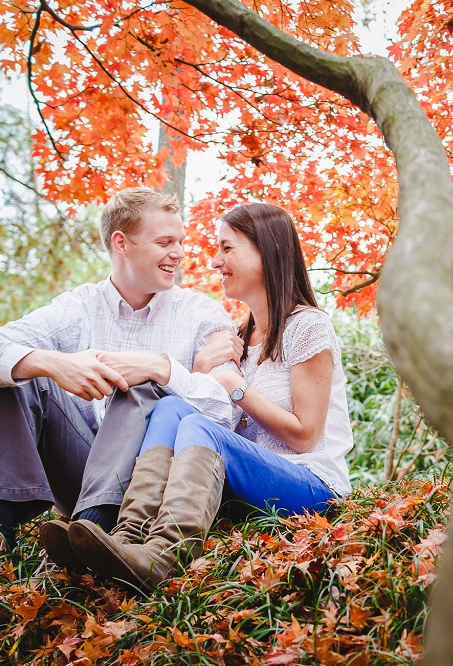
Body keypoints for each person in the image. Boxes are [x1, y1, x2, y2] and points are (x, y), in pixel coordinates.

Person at [66, 202, 354, 591]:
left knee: (198, 422)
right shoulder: (239, 337)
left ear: (266, 250)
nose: (215, 261)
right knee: (170, 405)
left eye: (227, 248)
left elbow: (305, 436)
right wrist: (198, 376)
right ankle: (128, 536)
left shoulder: (306, 327)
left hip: (312, 485)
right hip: (249, 481)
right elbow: (217, 421)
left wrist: (234, 387)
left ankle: (166, 555)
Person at [0, 187, 244, 567]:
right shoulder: (79, 307)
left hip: (150, 489)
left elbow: (229, 413)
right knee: (17, 370)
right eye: (164, 242)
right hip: (80, 472)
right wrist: (49, 362)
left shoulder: (202, 315)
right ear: (121, 243)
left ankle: (94, 531)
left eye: (180, 242)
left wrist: (163, 369)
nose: (179, 253)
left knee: (142, 384)